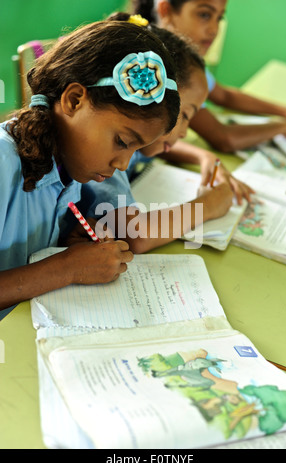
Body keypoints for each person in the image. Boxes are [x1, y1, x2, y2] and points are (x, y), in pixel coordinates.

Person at [0, 20, 181, 317]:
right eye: (121, 141)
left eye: (135, 150)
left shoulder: (68, 169)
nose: (122, 164)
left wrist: (66, 243)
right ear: (74, 100)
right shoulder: (4, 162)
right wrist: (66, 268)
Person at [69, 16, 236, 254]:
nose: (185, 132)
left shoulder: (127, 143)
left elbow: (154, 146)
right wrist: (207, 205)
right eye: (186, 115)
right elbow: (136, 235)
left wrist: (203, 156)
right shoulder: (108, 155)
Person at [132, 0, 286, 152]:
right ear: (166, 9)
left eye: (219, 18)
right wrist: (282, 128)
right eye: (204, 15)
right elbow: (222, 138)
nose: (214, 30)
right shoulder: (156, 70)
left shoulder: (186, 60)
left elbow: (224, 95)